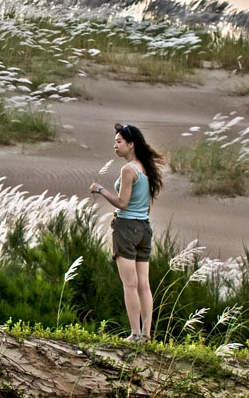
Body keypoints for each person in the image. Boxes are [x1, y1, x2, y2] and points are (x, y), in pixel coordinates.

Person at [89, 123, 165, 342]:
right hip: (144, 228)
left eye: (119, 141)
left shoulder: (128, 169)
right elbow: (146, 205)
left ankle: (134, 333)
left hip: (126, 227)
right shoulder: (147, 168)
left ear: (131, 144)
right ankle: (147, 335)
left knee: (130, 285)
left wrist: (100, 189)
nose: (115, 145)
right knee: (144, 284)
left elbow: (122, 203)